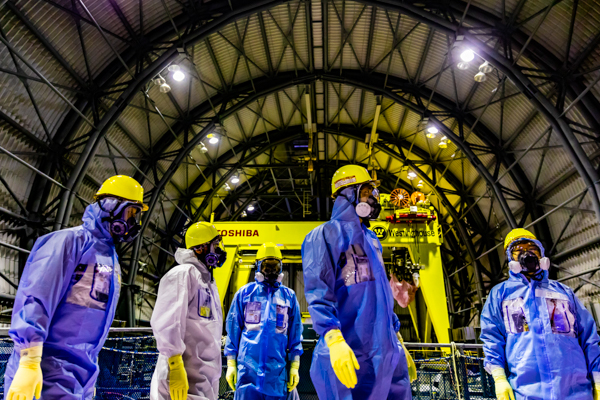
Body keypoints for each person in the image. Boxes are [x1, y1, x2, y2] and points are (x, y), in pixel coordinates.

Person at [5, 175, 147, 400]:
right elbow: (36, 298)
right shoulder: (68, 242)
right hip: (44, 372)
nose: (133, 222)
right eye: (131, 213)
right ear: (111, 206)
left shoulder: (110, 259)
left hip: (80, 379)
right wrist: (29, 359)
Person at [301, 164, 412, 400]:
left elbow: (380, 296)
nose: (373, 198)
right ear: (348, 193)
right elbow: (319, 293)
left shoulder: (373, 241)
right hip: (350, 353)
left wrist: (397, 340)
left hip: (386, 354)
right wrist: (333, 338)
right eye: (366, 191)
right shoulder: (324, 235)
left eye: (373, 192)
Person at [480, 228, 600, 400]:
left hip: (577, 391)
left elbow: (588, 336)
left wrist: (597, 378)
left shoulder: (563, 292)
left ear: (541, 254)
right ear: (510, 258)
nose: (526, 254)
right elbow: (492, 338)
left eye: (532, 249)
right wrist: (499, 378)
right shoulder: (500, 295)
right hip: (527, 392)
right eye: (518, 250)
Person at [150, 222, 227, 400]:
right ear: (201, 248)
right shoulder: (182, 274)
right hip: (181, 375)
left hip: (204, 379)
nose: (220, 251)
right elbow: (168, 322)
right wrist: (175, 365)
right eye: (215, 246)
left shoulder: (208, 282)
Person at [224, 242, 303, 400]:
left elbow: (295, 332)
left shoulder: (289, 297)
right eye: (267, 266)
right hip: (247, 374)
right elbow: (233, 329)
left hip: (277, 376)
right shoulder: (244, 294)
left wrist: (295, 365)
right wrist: (231, 363)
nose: (271, 271)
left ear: (281, 267)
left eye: (275, 266)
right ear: (258, 266)